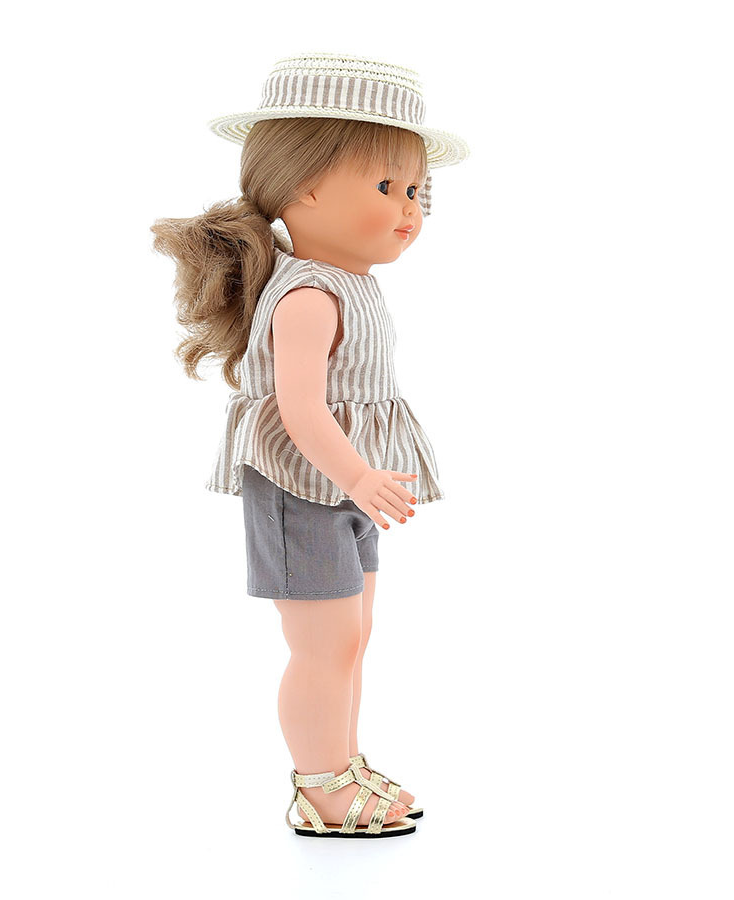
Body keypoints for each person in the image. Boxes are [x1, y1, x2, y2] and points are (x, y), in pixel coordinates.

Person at [151, 52, 469, 838]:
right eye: (387, 187)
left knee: (352, 635)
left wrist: (360, 479)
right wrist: (359, 476)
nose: (409, 210)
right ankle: (319, 786)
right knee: (323, 645)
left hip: (344, 487)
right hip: (306, 487)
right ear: (303, 188)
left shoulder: (352, 283)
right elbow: (300, 409)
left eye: (416, 192)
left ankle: (343, 763)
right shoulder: (308, 293)